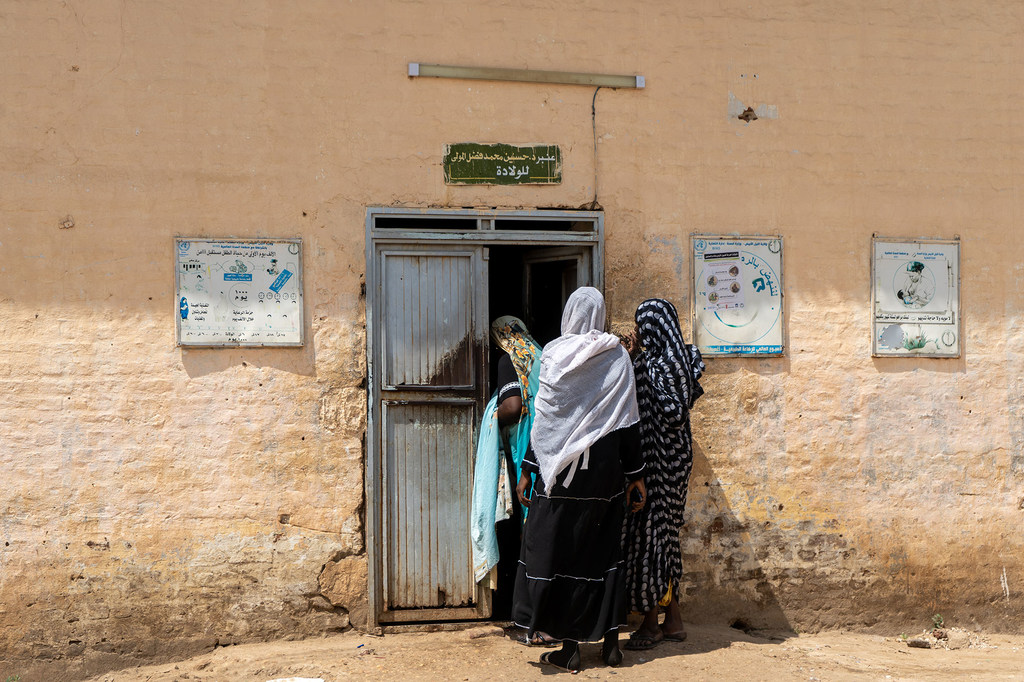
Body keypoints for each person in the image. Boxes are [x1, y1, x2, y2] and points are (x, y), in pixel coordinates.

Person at [512, 287, 647, 673]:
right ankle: (610, 646)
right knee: (602, 550)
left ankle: (570, 647)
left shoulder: (554, 354)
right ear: (601, 315)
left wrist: (528, 468)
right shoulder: (618, 356)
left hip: (561, 475)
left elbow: (547, 422)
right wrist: (636, 475)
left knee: (563, 552)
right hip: (604, 473)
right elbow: (627, 423)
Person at [621, 298, 705, 650]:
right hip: (678, 462)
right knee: (668, 536)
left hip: (653, 463)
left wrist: (630, 356)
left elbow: (639, 412)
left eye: (642, 325)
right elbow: (679, 411)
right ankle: (674, 620)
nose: (639, 331)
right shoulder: (685, 361)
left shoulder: (648, 366)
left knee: (650, 539)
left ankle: (651, 623)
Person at [471, 317, 542, 592]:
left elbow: (512, 407)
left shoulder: (509, 360)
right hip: (554, 446)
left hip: (528, 449)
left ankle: (530, 603)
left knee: (530, 522)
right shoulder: (544, 357)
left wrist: (489, 415)